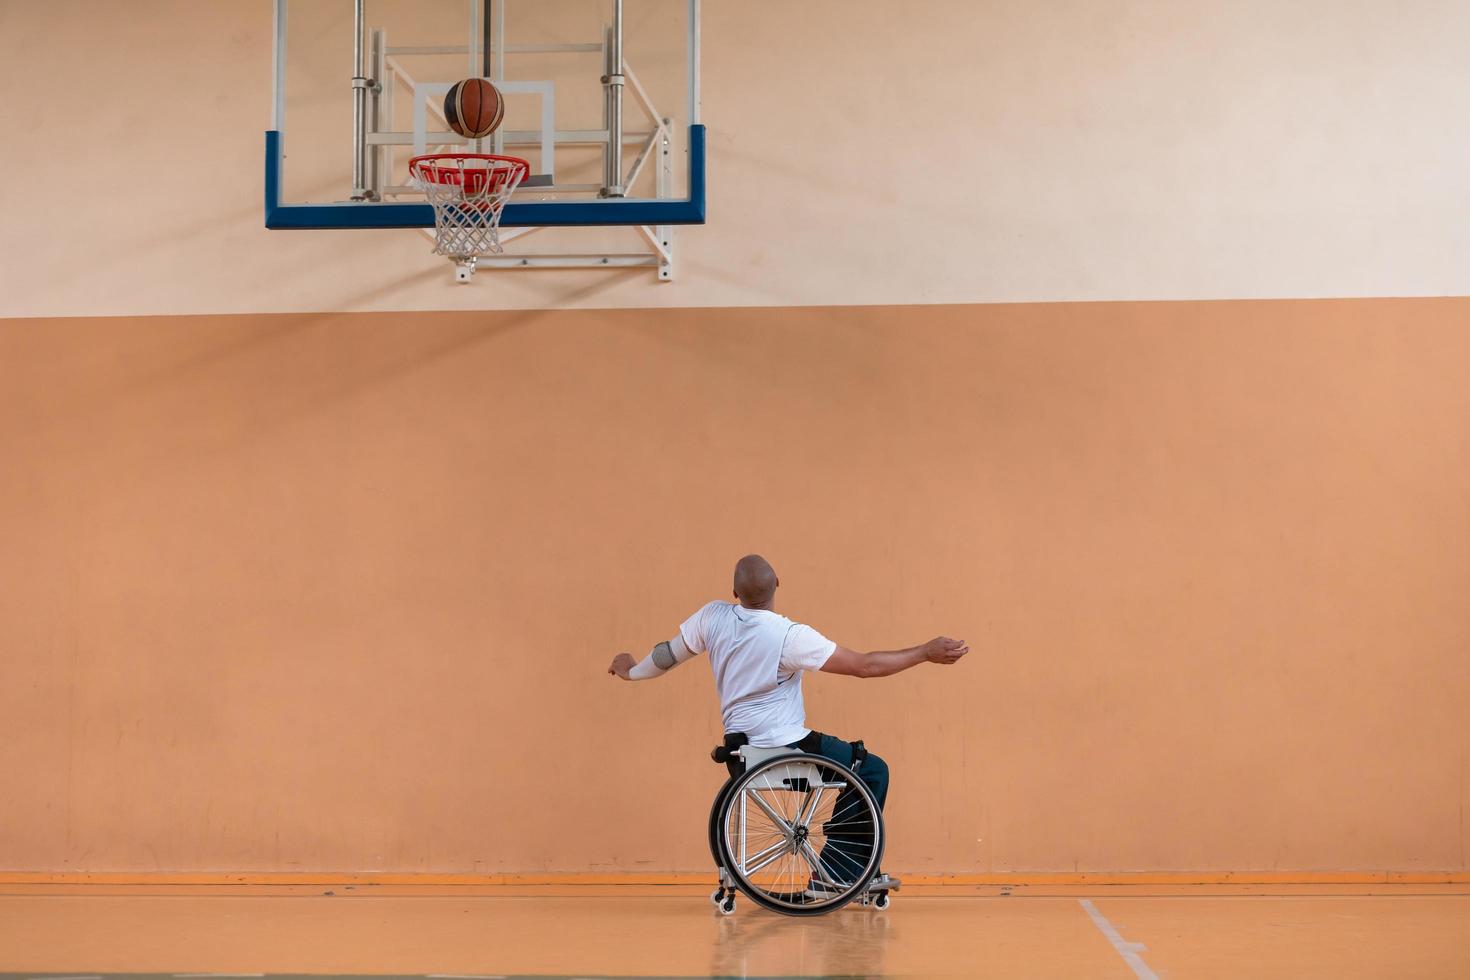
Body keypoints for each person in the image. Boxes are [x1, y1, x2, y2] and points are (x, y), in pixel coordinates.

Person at [608, 554, 968, 895]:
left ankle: (839, 868)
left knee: (859, 767)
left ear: (734, 593)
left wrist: (630, 671)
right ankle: (837, 873)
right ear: (778, 583)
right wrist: (924, 653)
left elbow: (665, 656)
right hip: (789, 749)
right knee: (872, 770)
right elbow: (865, 666)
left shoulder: (712, 618)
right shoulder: (790, 637)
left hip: (742, 755)